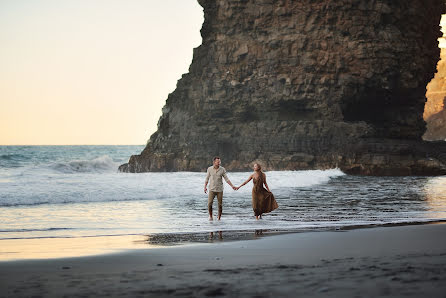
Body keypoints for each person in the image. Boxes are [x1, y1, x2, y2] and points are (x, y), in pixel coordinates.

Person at [204, 157, 237, 221]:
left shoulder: (222, 169)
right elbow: (207, 178)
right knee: (209, 204)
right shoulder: (209, 169)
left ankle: (219, 218)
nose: (219, 163)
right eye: (217, 162)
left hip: (220, 189)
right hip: (211, 189)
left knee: (220, 205)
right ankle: (211, 216)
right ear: (214, 162)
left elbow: (226, 179)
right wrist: (205, 187)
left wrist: (232, 186)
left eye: (220, 162)